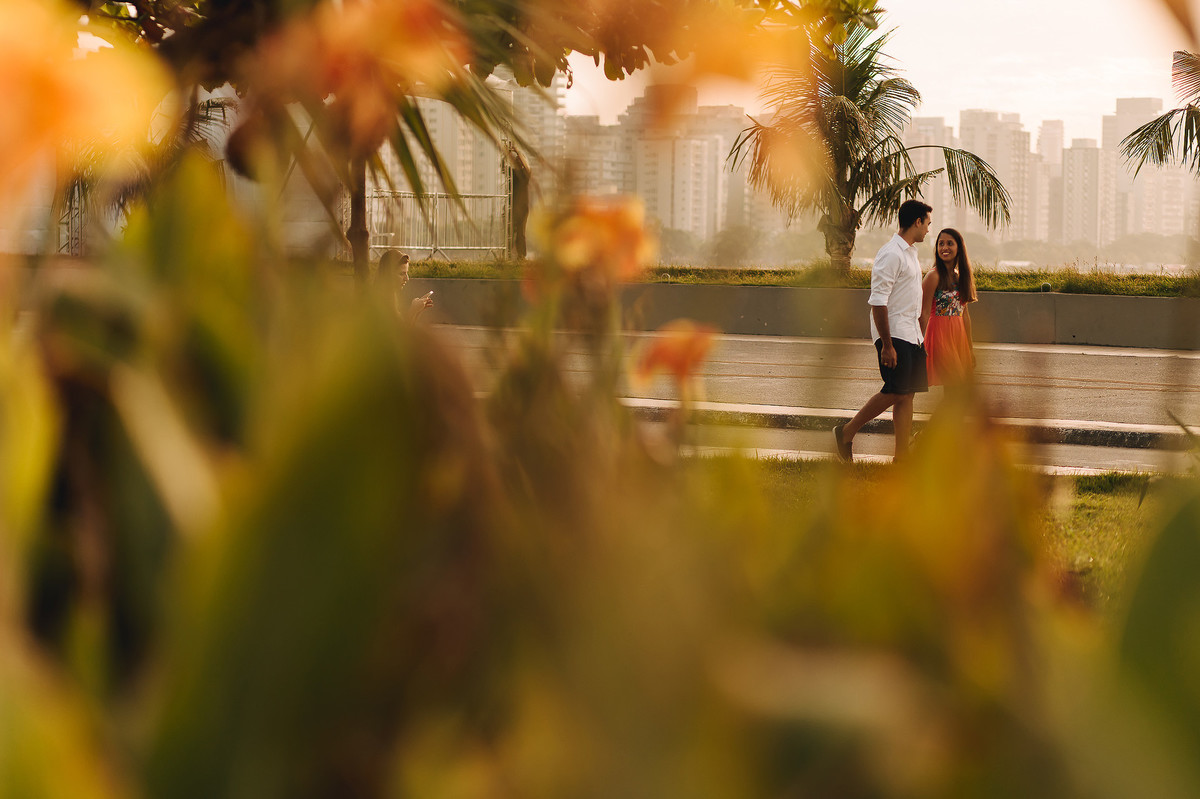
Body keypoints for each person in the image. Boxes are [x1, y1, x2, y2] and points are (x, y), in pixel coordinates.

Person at [832, 199, 932, 463]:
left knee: (907, 393)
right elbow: (878, 301)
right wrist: (887, 345)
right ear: (917, 222)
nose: (928, 231)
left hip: (911, 334)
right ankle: (846, 432)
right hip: (894, 334)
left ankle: (901, 457)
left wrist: (919, 337)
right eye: (927, 224)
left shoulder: (910, 253)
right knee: (897, 390)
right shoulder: (891, 253)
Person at [919, 228, 977, 390]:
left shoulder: (960, 276)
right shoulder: (933, 276)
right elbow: (922, 313)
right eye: (941, 244)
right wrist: (916, 345)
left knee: (955, 392)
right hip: (940, 337)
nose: (945, 248)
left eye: (950, 243)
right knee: (956, 389)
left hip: (958, 339)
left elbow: (965, 315)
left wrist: (970, 348)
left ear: (959, 247)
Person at [377, 250, 433, 319]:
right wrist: (413, 310)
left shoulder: (391, 295)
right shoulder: (379, 299)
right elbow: (399, 328)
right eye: (402, 274)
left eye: (406, 273)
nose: (407, 278)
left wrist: (418, 311)